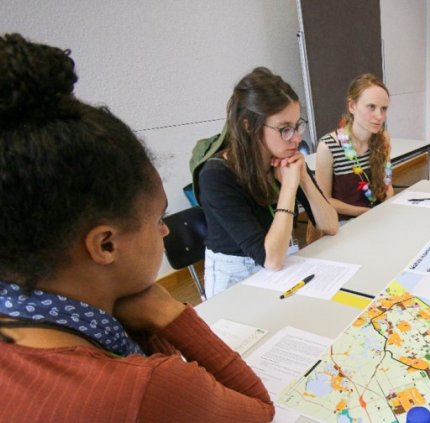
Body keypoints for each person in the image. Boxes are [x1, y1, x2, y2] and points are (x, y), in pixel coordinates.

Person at [0, 33, 273, 421]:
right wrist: (169, 315)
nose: (164, 231)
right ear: (105, 245)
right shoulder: (138, 387)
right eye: (158, 219)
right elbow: (259, 411)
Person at [199, 68, 339, 297]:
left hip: (277, 267)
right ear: (248, 126)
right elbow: (270, 259)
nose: (296, 138)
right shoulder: (216, 176)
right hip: (234, 283)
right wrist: (289, 187)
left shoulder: (286, 159)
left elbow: (330, 224)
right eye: (285, 129)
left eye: (297, 126)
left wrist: (303, 177)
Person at [315, 73, 394, 221]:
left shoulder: (383, 138)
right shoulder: (328, 147)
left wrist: (386, 207)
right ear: (352, 106)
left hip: (378, 216)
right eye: (371, 107)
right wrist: (365, 213)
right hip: (345, 223)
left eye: (383, 109)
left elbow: (387, 183)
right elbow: (324, 200)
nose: (379, 116)